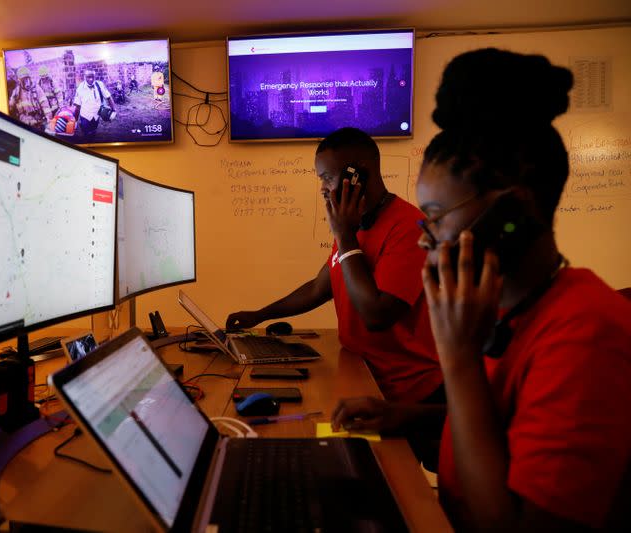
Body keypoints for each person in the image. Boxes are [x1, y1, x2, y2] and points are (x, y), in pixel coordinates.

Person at [332, 49, 631, 531]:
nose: (423, 238)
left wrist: (458, 359)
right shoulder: (511, 309)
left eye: (435, 218)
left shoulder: (585, 334)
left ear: (511, 214)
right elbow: (505, 426)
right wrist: (401, 416)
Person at [227, 127, 442, 407]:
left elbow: (376, 317)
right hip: (362, 372)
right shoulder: (355, 224)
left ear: (358, 174)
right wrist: (260, 315)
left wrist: (343, 235)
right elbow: (319, 288)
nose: (323, 188)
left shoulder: (408, 228)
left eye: (327, 177)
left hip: (406, 395)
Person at [73, 69, 115, 138]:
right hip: (85, 116)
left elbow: (108, 97)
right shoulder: (80, 88)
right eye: (88, 77)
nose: (91, 79)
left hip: (96, 116)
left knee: (93, 132)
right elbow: (77, 106)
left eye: (93, 77)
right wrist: (75, 120)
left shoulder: (99, 84)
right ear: (84, 77)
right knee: (86, 135)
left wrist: (113, 109)